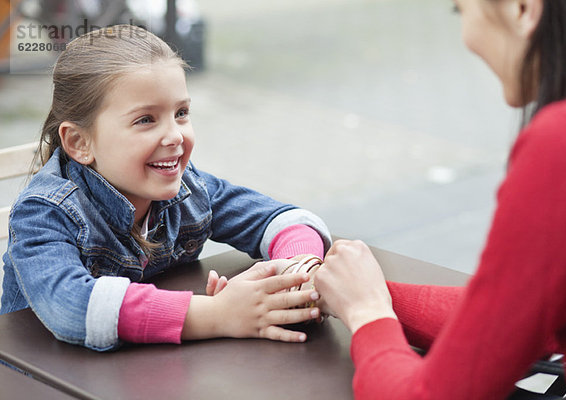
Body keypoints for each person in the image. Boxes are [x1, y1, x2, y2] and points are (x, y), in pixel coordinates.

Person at [313, 0, 566, 399]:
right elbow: (518, 313)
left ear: (522, 9)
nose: (465, 37)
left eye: (459, 10)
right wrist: (358, 291)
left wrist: (367, 315)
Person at [0, 24, 331, 351]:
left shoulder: (191, 188)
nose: (175, 135)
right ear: (79, 142)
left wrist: (292, 275)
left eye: (181, 113)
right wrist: (219, 314)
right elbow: (72, 307)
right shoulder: (42, 214)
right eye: (146, 119)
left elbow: (285, 221)